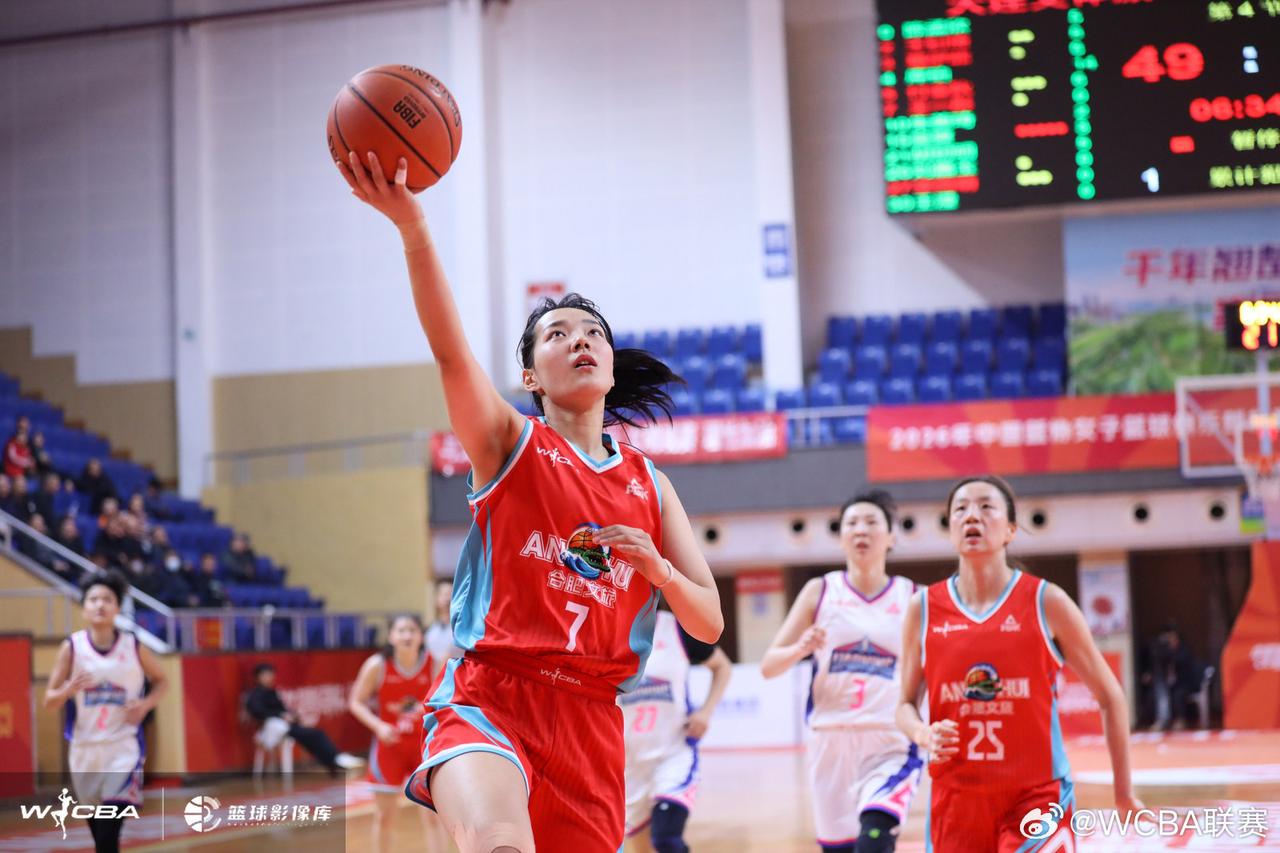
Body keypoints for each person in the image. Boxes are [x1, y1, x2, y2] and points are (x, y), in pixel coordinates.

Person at [339, 149, 723, 852]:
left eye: (593, 333)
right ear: (530, 376)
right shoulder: (508, 442)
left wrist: (660, 571)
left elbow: (710, 620)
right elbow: (451, 354)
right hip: (491, 695)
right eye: (558, 334)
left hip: (592, 719)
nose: (580, 340)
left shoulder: (650, 484)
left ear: (611, 366)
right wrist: (413, 228)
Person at [896, 476, 1142, 851]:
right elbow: (904, 705)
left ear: (1011, 529)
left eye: (986, 507)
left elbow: (1111, 697)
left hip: (1037, 795)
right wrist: (922, 734)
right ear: (950, 528)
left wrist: (1123, 793)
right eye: (960, 509)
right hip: (956, 801)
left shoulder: (1046, 602)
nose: (971, 516)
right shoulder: (924, 609)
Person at [761, 491, 921, 853]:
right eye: (852, 523)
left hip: (889, 740)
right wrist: (800, 649)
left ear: (891, 536)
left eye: (871, 522)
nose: (861, 530)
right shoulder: (819, 591)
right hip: (829, 741)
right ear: (841, 536)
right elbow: (769, 666)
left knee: (874, 839)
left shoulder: (913, 597)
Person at [43, 570, 169, 853]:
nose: (100, 604)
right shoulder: (72, 648)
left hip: (123, 748)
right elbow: (49, 701)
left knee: (108, 829)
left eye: (107, 599)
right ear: (84, 607)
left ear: (118, 607)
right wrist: (67, 689)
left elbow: (162, 681)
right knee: (100, 833)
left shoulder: (133, 645)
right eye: (93, 599)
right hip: (84, 750)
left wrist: (145, 705)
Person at [621, 607, 731, 853]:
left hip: (674, 752)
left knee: (666, 839)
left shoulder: (677, 629)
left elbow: (722, 667)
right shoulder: (610, 627)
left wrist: (705, 712)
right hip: (628, 761)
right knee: (642, 847)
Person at [348, 614, 449, 852]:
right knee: (385, 818)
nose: (407, 635)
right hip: (389, 747)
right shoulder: (377, 665)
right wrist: (378, 726)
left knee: (434, 816)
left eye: (412, 630)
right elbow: (356, 702)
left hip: (424, 747)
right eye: (401, 630)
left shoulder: (434, 663)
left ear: (421, 636)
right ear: (391, 637)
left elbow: (446, 703)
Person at [245, 663, 363, 774]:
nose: (268, 677)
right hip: (273, 730)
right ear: (258, 677)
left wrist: (293, 716)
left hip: (288, 727)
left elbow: (284, 710)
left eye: (270, 674)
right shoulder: (254, 695)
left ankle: (333, 760)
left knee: (314, 735)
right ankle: (333, 760)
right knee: (314, 735)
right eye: (265, 675)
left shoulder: (272, 692)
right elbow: (258, 712)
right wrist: (280, 715)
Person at [1144, 623, 1205, 731]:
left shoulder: (1184, 650)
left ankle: (1181, 720)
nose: (1170, 641)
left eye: (1172, 638)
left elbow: (1181, 662)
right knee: (1154, 694)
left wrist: (1171, 652)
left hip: (1183, 683)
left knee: (1178, 694)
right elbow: (1157, 665)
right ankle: (1160, 720)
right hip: (1169, 684)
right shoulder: (1164, 652)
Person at [424, 578, 463, 669]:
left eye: (452, 594)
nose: (448, 599)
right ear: (436, 599)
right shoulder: (429, 631)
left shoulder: (465, 630)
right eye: (444, 594)